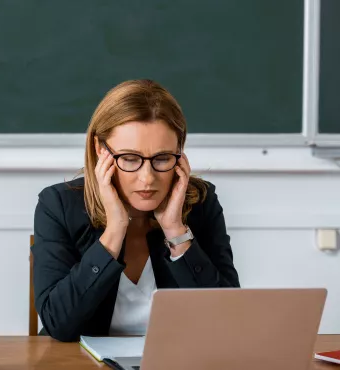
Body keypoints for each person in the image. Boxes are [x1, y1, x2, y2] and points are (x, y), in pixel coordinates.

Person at [31, 79, 240, 342]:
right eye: (130, 159)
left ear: (179, 151)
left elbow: (225, 320)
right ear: (100, 150)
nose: (147, 178)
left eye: (162, 158)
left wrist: (176, 232)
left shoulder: (202, 203)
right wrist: (115, 231)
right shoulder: (58, 205)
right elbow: (59, 325)